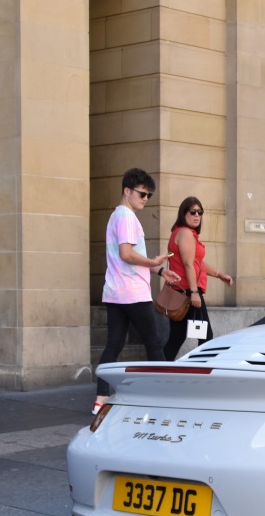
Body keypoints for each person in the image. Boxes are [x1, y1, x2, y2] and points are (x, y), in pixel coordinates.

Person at [94, 168, 180, 413]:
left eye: (148, 195)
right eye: (142, 194)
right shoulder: (126, 217)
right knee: (154, 343)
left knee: (114, 345)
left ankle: (100, 398)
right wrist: (154, 263)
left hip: (115, 292)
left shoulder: (116, 216)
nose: (145, 199)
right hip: (132, 293)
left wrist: (160, 271)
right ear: (127, 191)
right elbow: (127, 254)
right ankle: (165, 397)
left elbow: (128, 256)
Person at [162, 196, 232, 360]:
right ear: (183, 213)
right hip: (188, 293)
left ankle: (157, 371)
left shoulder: (180, 232)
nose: (197, 216)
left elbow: (196, 263)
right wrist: (194, 292)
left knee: (177, 337)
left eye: (200, 212)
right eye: (192, 212)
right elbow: (188, 264)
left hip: (182, 292)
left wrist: (219, 274)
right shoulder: (185, 233)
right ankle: (201, 372)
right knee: (205, 337)